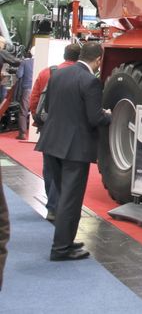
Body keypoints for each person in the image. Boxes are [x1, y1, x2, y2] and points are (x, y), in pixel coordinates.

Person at [35, 41, 112, 261]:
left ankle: (65, 240)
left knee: (62, 197)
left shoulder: (58, 74)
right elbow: (95, 117)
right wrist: (110, 115)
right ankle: (61, 249)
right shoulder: (90, 81)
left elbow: (49, 108)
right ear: (98, 60)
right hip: (74, 150)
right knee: (71, 199)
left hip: (51, 143)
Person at [29, 43, 82, 221]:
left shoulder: (47, 72)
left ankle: (52, 206)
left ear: (64, 55)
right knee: (67, 169)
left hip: (47, 127)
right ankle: (59, 206)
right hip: (71, 129)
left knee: (49, 168)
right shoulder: (82, 76)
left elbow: (34, 99)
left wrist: (38, 119)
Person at [15, 50, 33, 140]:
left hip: (27, 89)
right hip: (38, 88)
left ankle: (22, 134)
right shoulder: (42, 61)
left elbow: (19, 74)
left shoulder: (25, 62)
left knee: (23, 110)